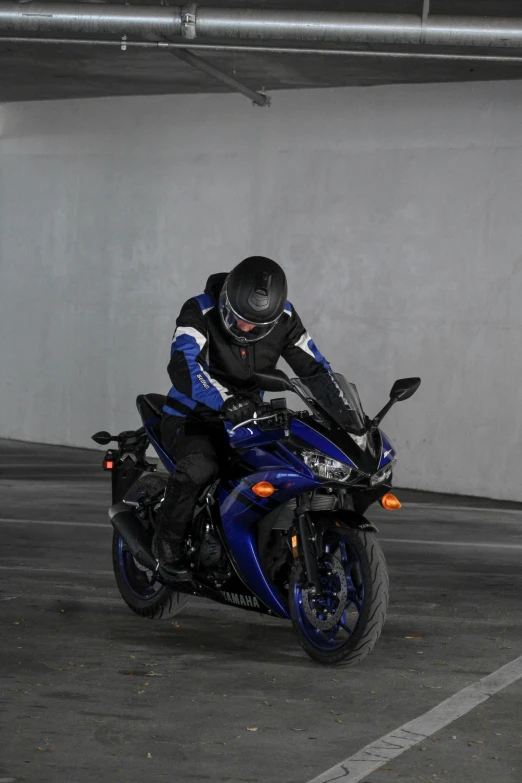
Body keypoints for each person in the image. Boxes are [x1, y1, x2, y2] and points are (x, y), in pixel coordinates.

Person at [153, 256, 332, 579]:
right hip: (193, 416)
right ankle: (168, 543)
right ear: (225, 301)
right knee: (201, 467)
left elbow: (315, 369)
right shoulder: (199, 310)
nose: (246, 328)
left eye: (256, 325)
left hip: (248, 419)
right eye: (238, 320)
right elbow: (184, 364)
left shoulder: (286, 317)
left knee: (286, 470)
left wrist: (342, 412)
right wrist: (225, 401)